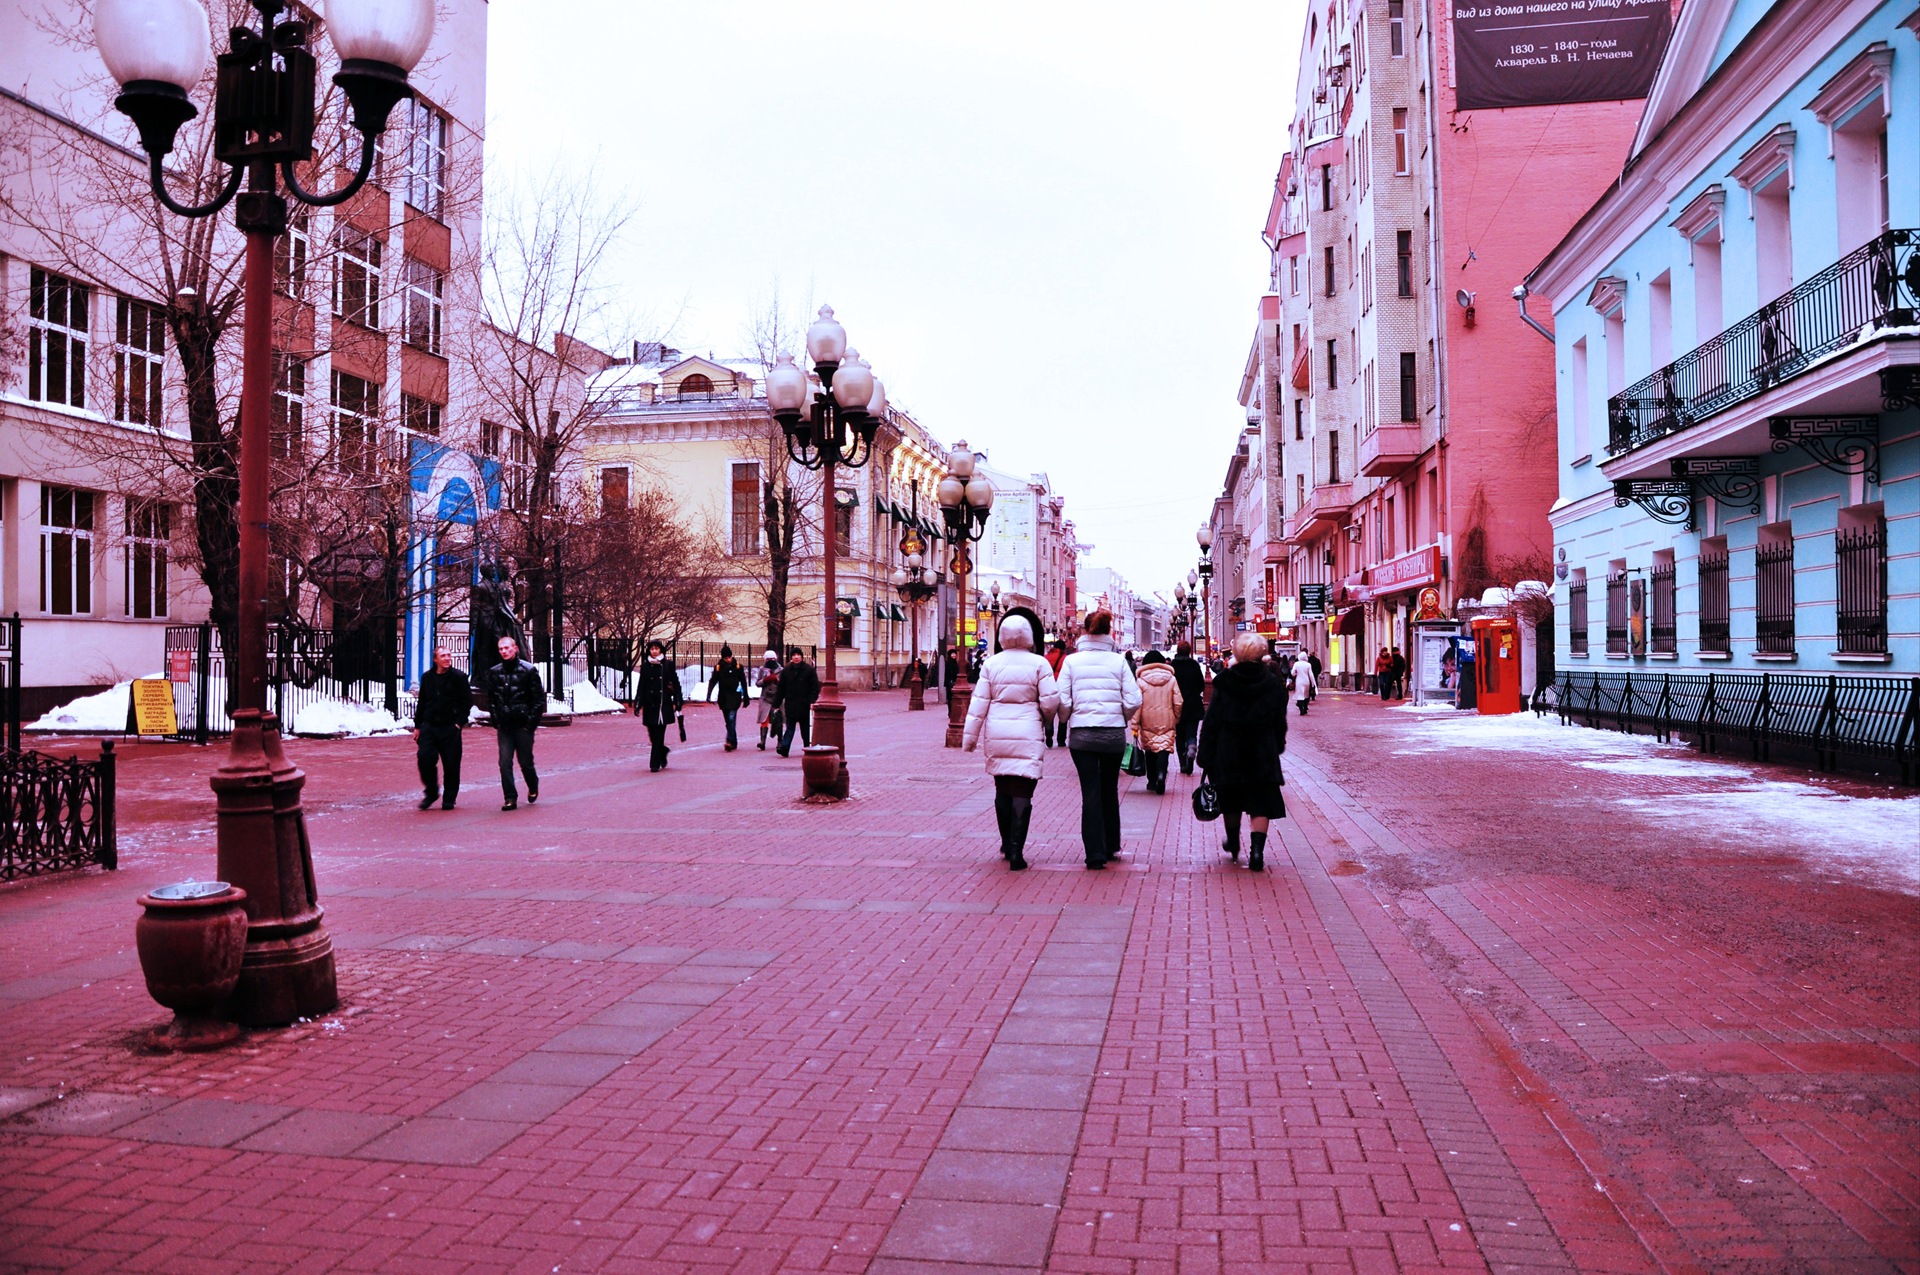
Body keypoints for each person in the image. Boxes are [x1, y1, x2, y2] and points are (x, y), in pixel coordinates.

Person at [961, 614, 1060, 871]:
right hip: (1027, 730)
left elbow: (978, 704)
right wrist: (1044, 717)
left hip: (998, 732)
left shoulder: (992, 664)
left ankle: (1006, 843)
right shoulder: (1039, 663)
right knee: (1023, 791)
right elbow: (1050, 701)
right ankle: (1017, 851)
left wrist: (969, 740)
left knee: (1002, 786)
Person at [1198, 631, 1291, 872]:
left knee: (1231, 799)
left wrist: (1205, 753)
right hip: (1262, 749)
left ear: (1237, 653)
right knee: (1261, 801)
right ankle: (1257, 852)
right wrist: (1278, 743)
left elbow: (1212, 722)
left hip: (1230, 750)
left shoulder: (1225, 682)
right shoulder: (1272, 684)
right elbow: (1279, 720)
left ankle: (1234, 842)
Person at [1057, 609, 1141, 869]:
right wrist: (1121, 716)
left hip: (1082, 735)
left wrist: (1067, 718)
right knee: (1109, 789)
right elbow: (1134, 699)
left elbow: (1062, 699)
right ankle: (1111, 844)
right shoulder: (1118, 662)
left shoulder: (1072, 661)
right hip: (1112, 735)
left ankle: (1094, 852)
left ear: (1084, 631)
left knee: (1090, 791)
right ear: (1109, 633)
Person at [481, 635, 545, 810]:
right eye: (501, 649)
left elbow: (538, 700)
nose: (504, 651)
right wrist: (496, 718)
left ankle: (532, 784)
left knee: (525, 762)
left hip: (523, 725)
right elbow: (492, 698)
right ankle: (510, 797)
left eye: (507, 648)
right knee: (504, 762)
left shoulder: (528, 671)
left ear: (515, 649)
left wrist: (530, 723)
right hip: (505, 725)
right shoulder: (495, 672)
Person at [413, 645, 471, 810]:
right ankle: (431, 792)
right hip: (429, 726)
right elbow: (422, 702)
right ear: (435, 659)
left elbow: (466, 702)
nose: (447, 658)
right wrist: (418, 726)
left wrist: (459, 723)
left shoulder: (458, 677)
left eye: (448, 655)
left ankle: (449, 798)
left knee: (451, 764)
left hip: (450, 727)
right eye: (443, 655)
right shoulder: (427, 678)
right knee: (425, 758)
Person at [1132, 649, 1182, 795]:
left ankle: (1152, 780)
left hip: (1147, 721)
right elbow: (1178, 702)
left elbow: (1137, 705)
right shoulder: (1171, 679)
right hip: (1167, 719)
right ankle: (1162, 774)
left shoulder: (1140, 681)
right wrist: (1176, 718)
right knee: (1164, 749)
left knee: (1150, 751)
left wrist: (1135, 725)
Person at [1170, 641, 1207, 776]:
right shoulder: (1194, 665)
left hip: (1177, 705)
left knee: (1179, 735)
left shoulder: (1173, 667)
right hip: (1193, 705)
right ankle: (1191, 748)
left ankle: (1183, 763)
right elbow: (1201, 685)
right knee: (1191, 733)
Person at [776, 647, 819, 756]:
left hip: (805, 704)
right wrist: (777, 703)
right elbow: (781, 688)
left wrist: (812, 700)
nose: (796, 657)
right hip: (791, 704)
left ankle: (807, 747)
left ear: (801, 657)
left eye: (798, 655)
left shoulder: (809, 670)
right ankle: (785, 748)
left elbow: (815, 687)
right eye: (794, 655)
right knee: (790, 728)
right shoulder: (786, 671)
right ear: (791, 657)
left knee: (805, 730)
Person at [706, 645, 750, 751]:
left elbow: (743, 682)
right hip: (723, 697)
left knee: (731, 718)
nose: (728, 659)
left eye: (729, 657)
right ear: (723, 658)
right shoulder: (718, 667)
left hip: (735, 697)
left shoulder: (738, 667)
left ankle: (729, 741)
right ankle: (733, 742)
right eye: (726, 658)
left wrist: (746, 696)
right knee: (728, 720)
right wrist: (709, 694)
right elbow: (713, 681)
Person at [1042, 639, 1068, 747]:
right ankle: (1061, 739)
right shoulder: (1066, 659)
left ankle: (1049, 735)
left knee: (1049, 714)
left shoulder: (1046, 658)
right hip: (1062, 689)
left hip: (1049, 688)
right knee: (1063, 715)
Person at [1289, 651, 1316, 716]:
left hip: (1299, 681)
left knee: (1300, 695)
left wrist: (1295, 674)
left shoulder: (1296, 664)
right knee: (1306, 695)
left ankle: (1301, 709)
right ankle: (1305, 707)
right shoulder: (1308, 664)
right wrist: (1313, 684)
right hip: (1306, 681)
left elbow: (1292, 673)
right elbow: (1311, 675)